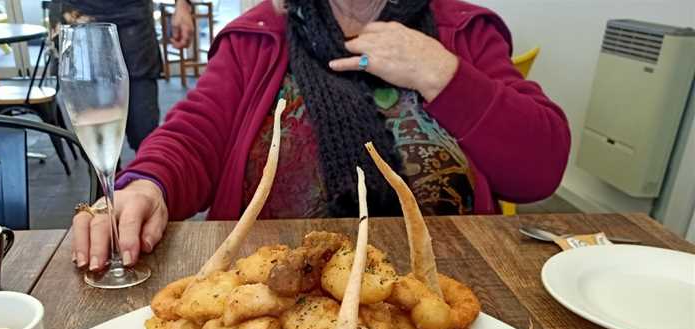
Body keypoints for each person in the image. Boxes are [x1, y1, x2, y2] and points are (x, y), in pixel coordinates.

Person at [72, 0, 571, 270]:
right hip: (273, 295)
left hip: (443, 290)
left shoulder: (463, 31)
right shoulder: (260, 34)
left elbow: (539, 169)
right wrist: (146, 185)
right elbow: (194, 132)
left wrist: (443, 73)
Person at [51, 0, 195, 152]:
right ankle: (106, 175)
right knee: (96, 140)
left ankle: (144, 172)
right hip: (78, 16)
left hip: (134, 22)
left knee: (144, 131)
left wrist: (182, 5)